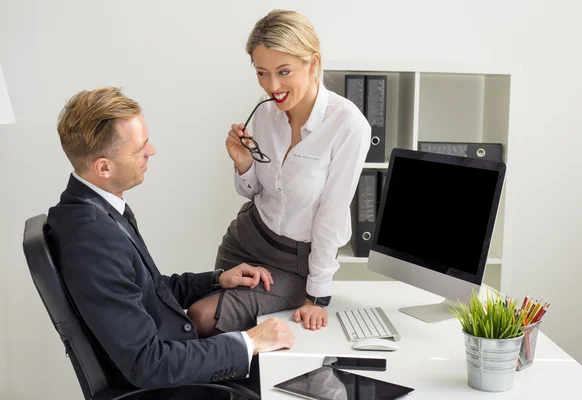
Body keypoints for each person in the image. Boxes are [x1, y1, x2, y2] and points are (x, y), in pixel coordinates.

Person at [46, 87, 295, 397]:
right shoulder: (92, 238)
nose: (152, 151)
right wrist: (250, 341)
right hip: (169, 383)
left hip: (177, 359)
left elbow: (147, 291)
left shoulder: (95, 208)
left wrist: (218, 279)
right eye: (139, 148)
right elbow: (149, 364)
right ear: (104, 167)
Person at [187, 9, 371, 336]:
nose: (273, 86)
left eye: (284, 71)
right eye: (262, 73)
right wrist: (244, 163)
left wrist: (317, 295)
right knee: (212, 334)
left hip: (293, 265)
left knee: (202, 317)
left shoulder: (347, 125)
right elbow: (253, 191)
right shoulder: (266, 112)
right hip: (244, 241)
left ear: (312, 63)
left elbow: (331, 215)